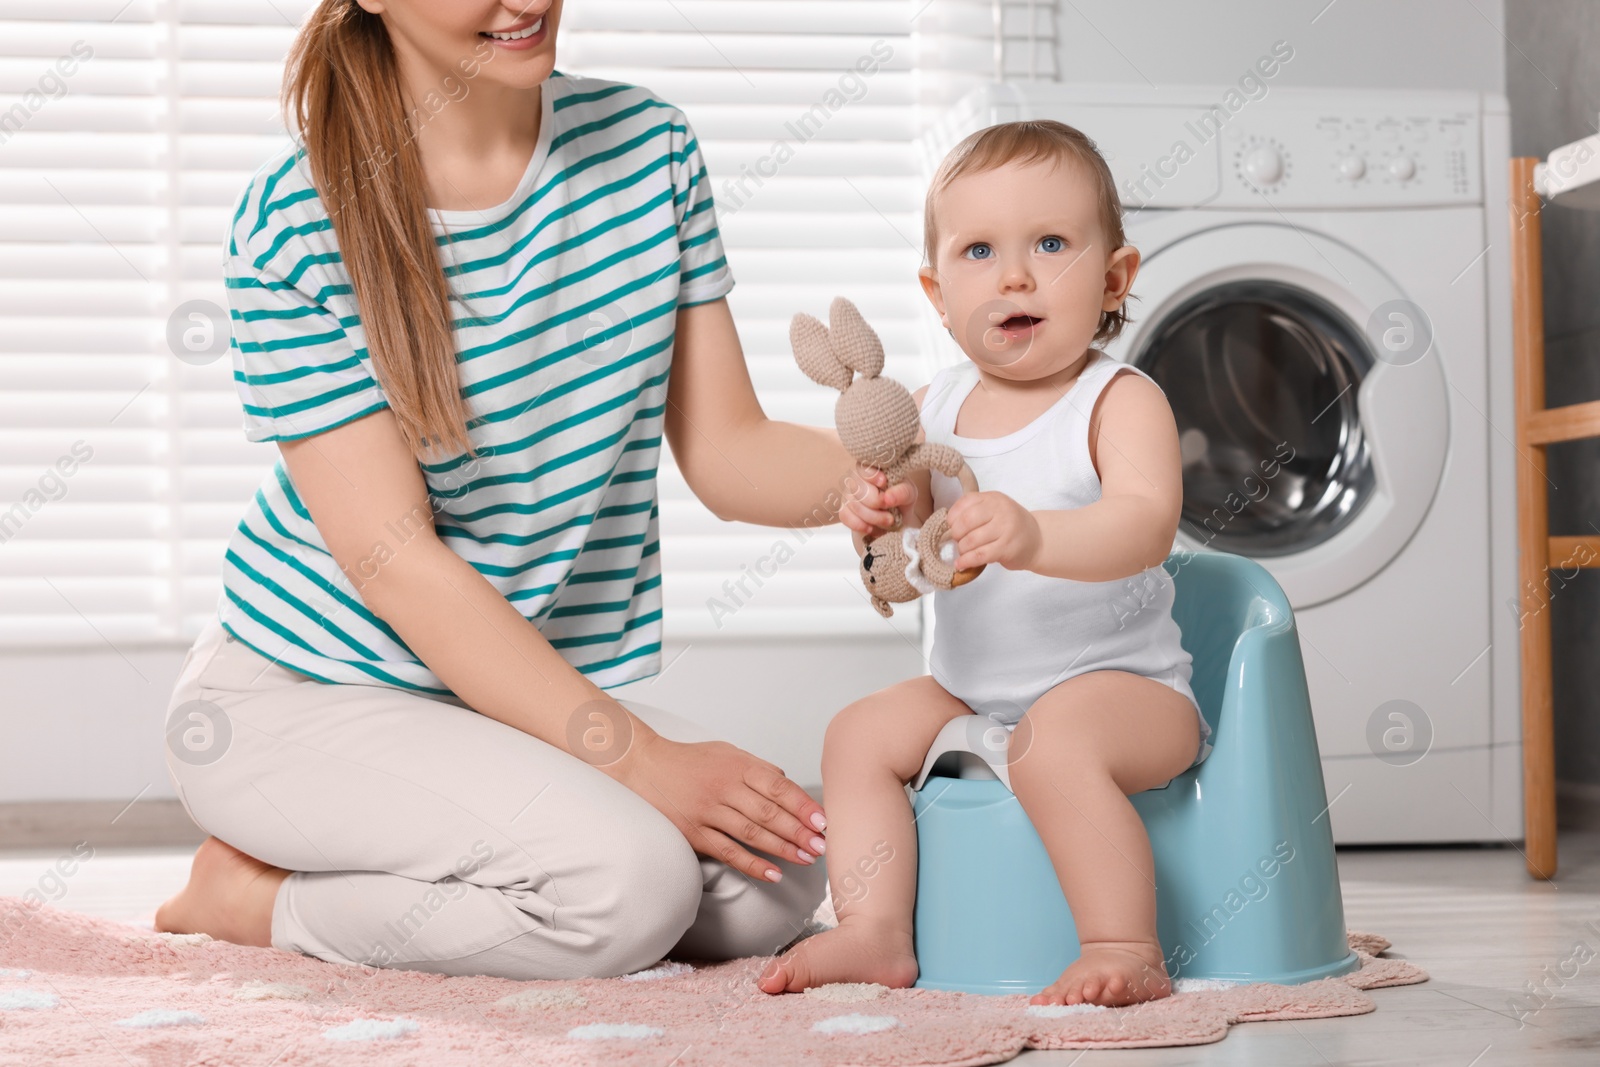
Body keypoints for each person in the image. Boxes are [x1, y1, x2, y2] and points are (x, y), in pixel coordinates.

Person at [155, 0, 846, 980]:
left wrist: (884, 477)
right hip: (302, 695)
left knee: (782, 863)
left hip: (490, 698)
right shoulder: (295, 220)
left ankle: (471, 868)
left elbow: (729, 451)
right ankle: (252, 897)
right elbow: (401, 568)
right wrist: (644, 761)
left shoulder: (648, 148)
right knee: (631, 886)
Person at [756, 120, 1211, 1006]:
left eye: (1050, 243)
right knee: (857, 735)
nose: (1014, 275)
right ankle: (876, 930)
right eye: (978, 250)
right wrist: (875, 518)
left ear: (1115, 277)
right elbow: (917, 546)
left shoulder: (1117, 400)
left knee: (1054, 742)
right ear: (936, 291)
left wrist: (1037, 536)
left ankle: (1125, 943)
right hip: (976, 688)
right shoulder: (938, 404)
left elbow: (1145, 526)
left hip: (1127, 690)